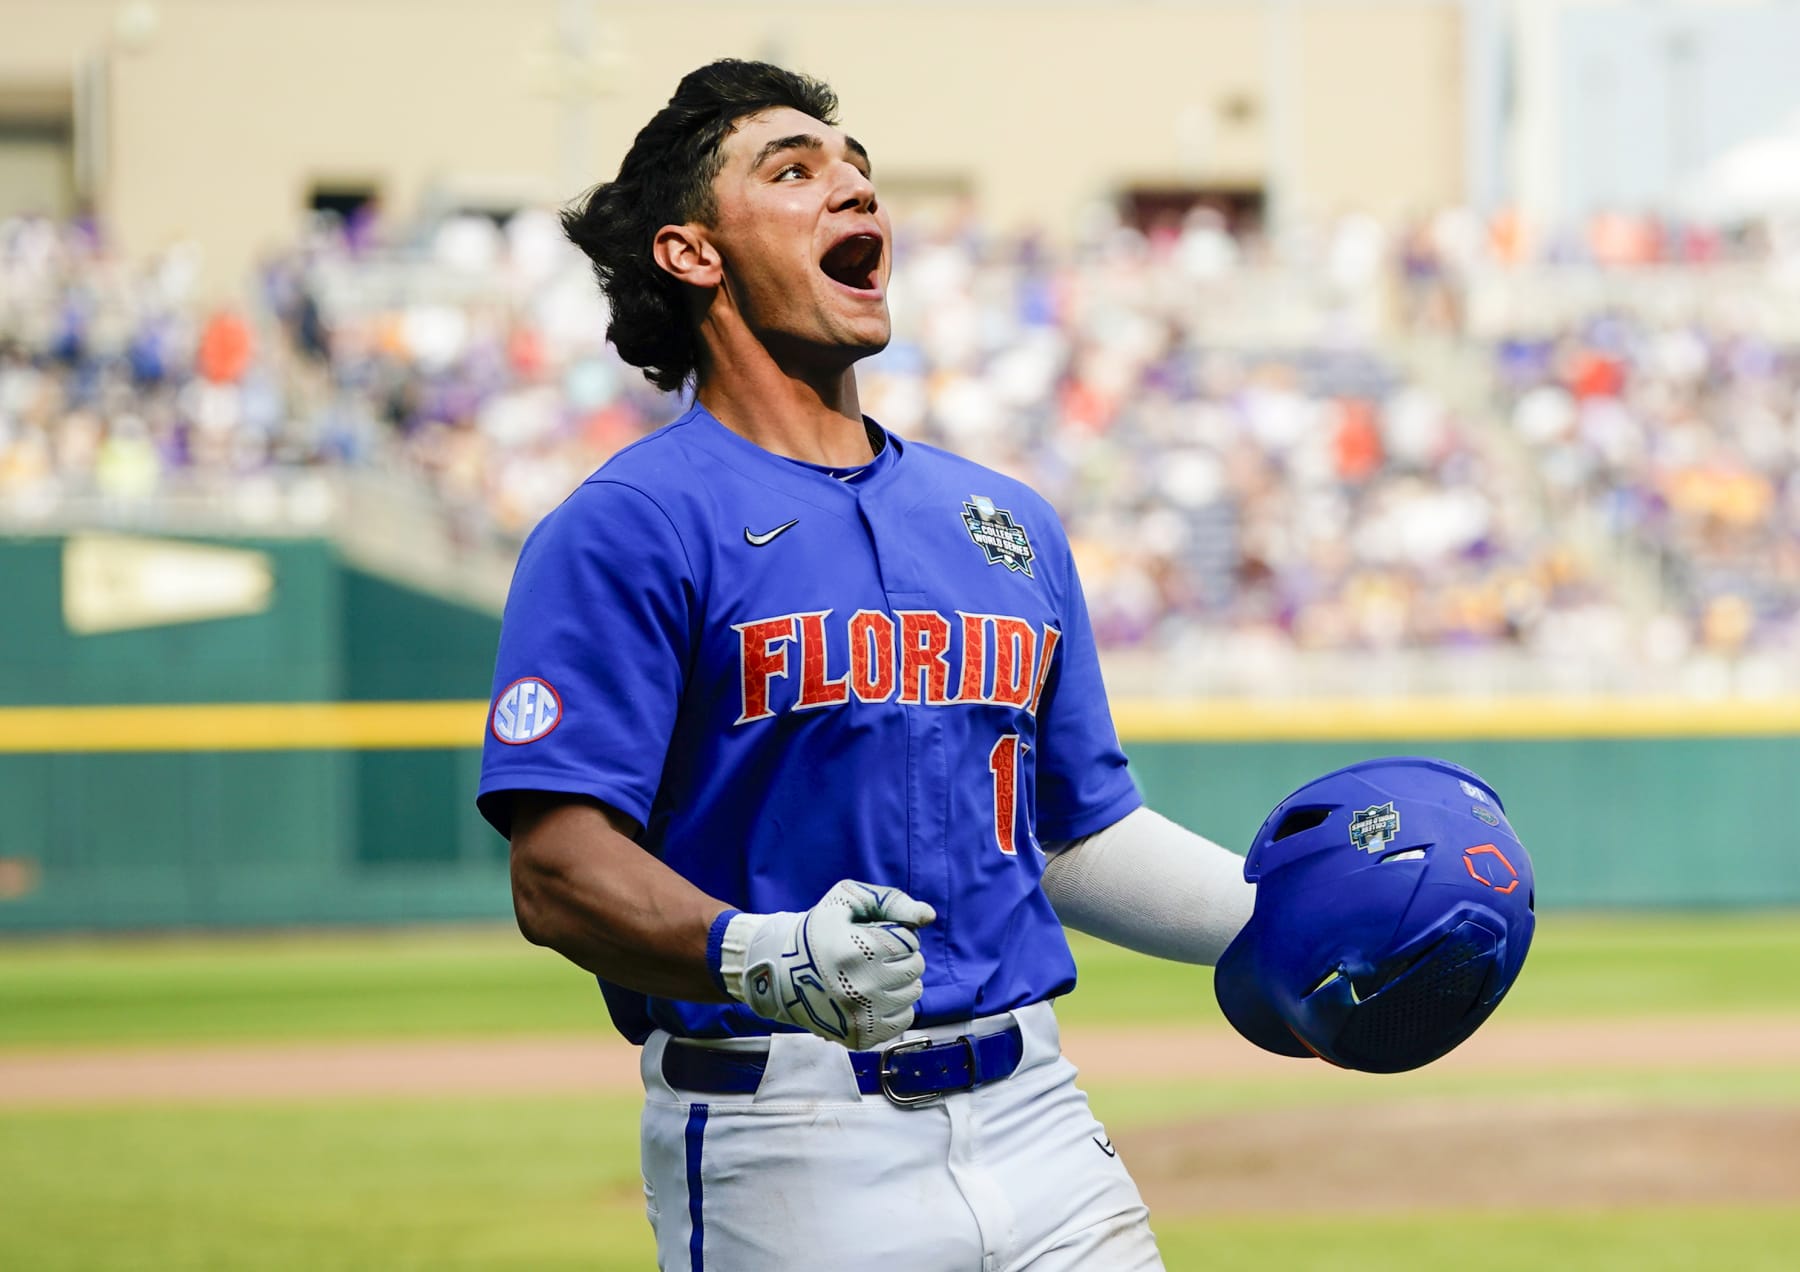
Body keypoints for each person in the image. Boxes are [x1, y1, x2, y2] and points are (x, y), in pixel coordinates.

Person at [477, 59, 1255, 1271]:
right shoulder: (628, 523)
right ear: (693, 254)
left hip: (1040, 1118)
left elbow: (1074, 834)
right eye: (794, 172)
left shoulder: (1003, 520)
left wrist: (1268, 927)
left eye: (859, 173)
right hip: (786, 1136)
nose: (853, 192)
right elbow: (557, 873)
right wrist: (760, 952)